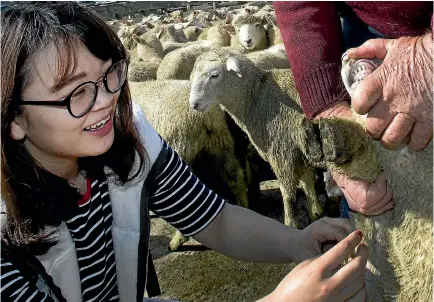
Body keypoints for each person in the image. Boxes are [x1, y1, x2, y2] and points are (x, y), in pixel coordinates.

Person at [0, 3, 368, 301]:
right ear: (14, 116)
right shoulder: (6, 241)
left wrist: (298, 241)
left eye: (109, 75)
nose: (105, 101)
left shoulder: (130, 145)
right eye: (75, 92)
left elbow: (214, 219)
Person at [274, 2, 433, 216]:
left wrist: (427, 59)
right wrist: (330, 114)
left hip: (423, 51)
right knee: (371, 202)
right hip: (365, 36)